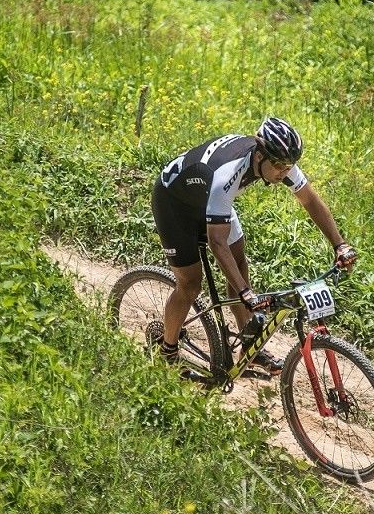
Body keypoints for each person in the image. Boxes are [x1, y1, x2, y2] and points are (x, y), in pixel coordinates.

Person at [150, 117, 358, 376]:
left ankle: (250, 346)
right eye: (279, 166)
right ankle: (167, 350)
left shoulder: (278, 159)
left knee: (239, 264)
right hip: (174, 202)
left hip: (209, 198)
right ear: (259, 155)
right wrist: (246, 293)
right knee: (190, 284)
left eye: (289, 166)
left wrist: (340, 244)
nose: (284, 172)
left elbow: (309, 201)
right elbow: (217, 242)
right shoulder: (228, 174)